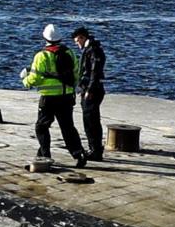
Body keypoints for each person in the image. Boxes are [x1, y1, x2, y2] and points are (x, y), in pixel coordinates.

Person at [24, 23, 87, 166]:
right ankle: (79, 154)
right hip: (66, 96)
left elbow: (35, 78)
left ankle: (45, 156)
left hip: (48, 98)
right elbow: (77, 73)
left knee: (42, 126)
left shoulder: (41, 56)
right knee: (68, 127)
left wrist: (25, 81)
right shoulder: (69, 53)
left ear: (45, 38)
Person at [71, 25, 111, 163]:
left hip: (92, 90)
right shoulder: (90, 49)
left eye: (77, 41)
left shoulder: (93, 51)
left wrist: (89, 90)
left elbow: (95, 71)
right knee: (90, 120)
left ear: (82, 37)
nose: (77, 44)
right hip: (88, 88)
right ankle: (94, 148)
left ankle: (95, 150)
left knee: (91, 121)